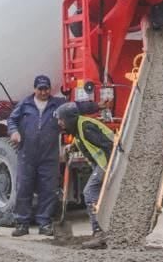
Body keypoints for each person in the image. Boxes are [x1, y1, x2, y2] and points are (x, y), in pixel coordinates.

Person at [6, 75, 69, 237]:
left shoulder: (57, 104)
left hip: (49, 155)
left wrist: (97, 105)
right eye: (40, 89)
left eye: (46, 88)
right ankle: (22, 224)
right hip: (27, 154)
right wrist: (14, 132)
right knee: (23, 188)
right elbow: (12, 120)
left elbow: (76, 108)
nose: (43, 92)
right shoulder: (25, 104)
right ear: (34, 89)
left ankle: (44, 223)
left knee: (48, 190)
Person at [55, 102, 116, 249]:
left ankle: (99, 234)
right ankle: (108, 231)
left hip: (107, 163)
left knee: (89, 192)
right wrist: (72, 146)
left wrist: (110, 168)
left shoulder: (86, 127)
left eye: (61, 120)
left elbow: (108, 144)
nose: (59, 123)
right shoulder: (79, 127)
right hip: (104, 164)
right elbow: (83, 139)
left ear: (69, 119)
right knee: (100, 196)